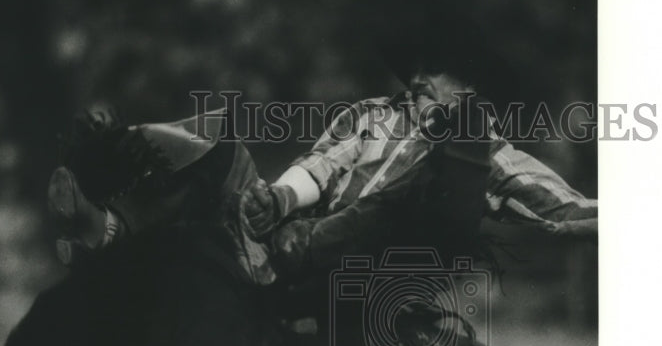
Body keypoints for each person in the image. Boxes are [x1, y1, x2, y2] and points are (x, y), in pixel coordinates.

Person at [48, 69, 597, 282]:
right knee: (219, 144)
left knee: (403, 196)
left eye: (437, 79)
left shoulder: (484, 151)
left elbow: (561, 207)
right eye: (420, 80)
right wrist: (278, 200)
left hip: (382, 271)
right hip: (300, 239)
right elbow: (322, 165)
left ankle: (288, 251)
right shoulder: (373, 115)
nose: (421, 84)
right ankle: (107, 215)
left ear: (469, 92)